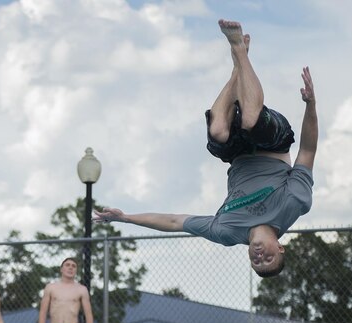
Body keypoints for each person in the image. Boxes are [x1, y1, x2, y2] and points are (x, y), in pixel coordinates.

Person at [94, 19, 318, 278]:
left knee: (218, 131)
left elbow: (175, 222)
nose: (260, 257)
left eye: (257, 263)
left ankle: (237, 69)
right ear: (280, 248)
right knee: (250, 122)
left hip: (236, 154)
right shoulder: (294, 204)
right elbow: (308, 152)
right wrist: (310, 104)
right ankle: (239, 50)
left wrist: (126, 218)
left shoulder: (226, 231)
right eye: (268, 257)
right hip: (273, 144)